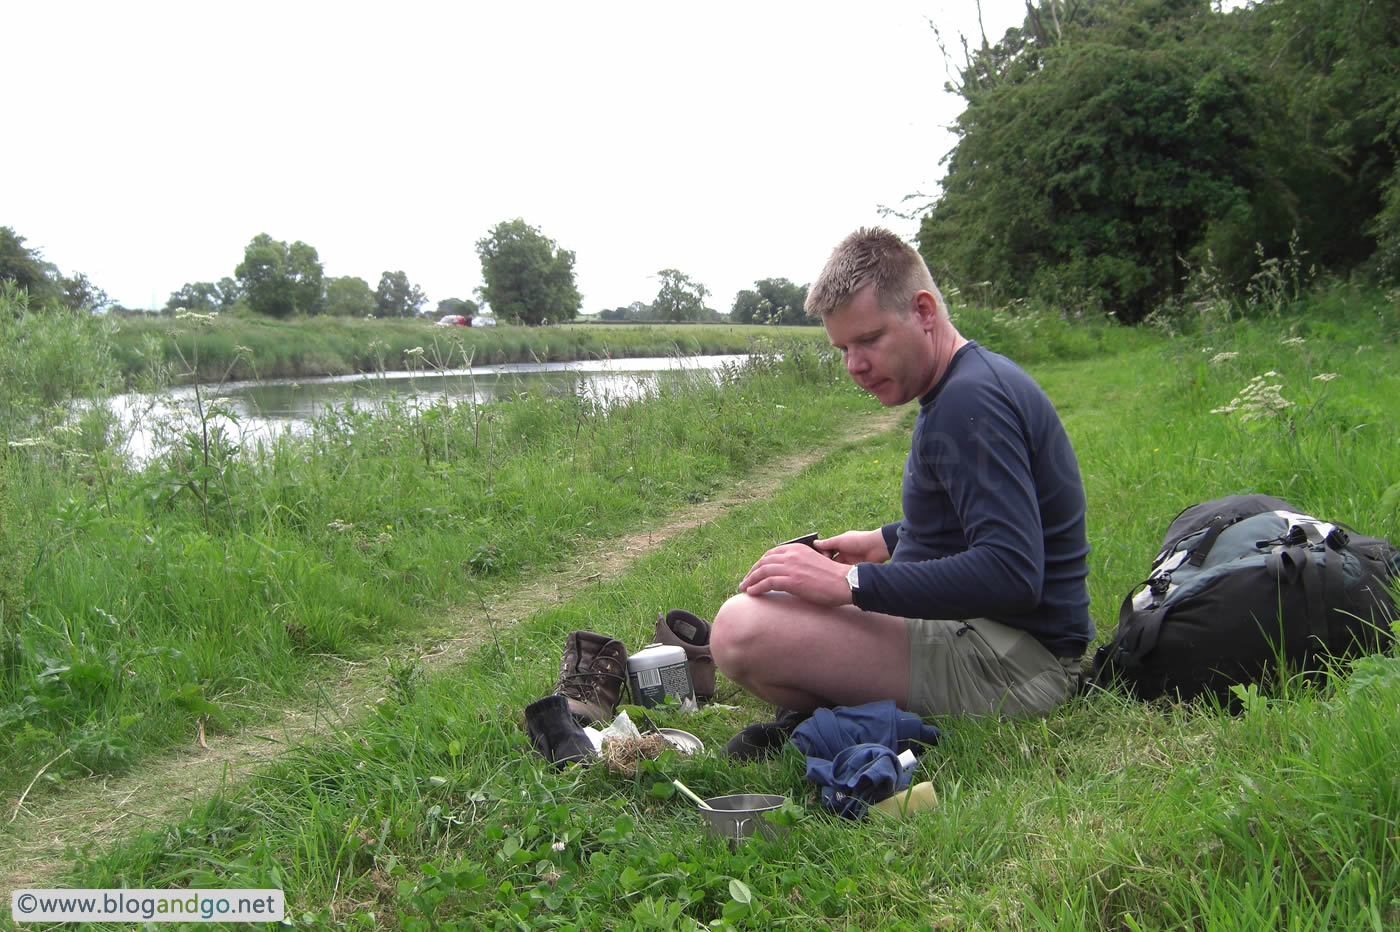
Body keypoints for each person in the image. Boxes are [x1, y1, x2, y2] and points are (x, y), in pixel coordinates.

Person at [709, 227, 1093, 728]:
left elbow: (1013, 573)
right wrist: (884, 541)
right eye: (843, 348)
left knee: (740, 629)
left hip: (1018, 664)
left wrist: (853, 582)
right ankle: (849, 718)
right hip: (996, 638)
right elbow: (979, 515)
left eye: (869, 339)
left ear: (924, 312)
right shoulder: (965, 383)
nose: (856, 366)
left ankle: (850, 721)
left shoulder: (967, 402)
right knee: (781, 597)